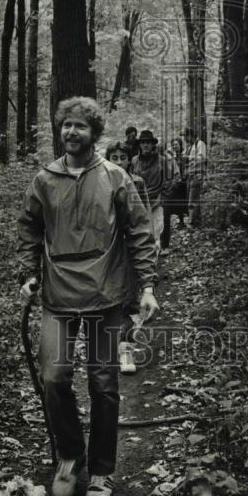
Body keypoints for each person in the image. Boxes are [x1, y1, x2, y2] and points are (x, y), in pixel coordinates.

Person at [18, 97, 158, 496]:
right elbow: (29, 227)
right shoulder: (44, 179)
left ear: (94, 134)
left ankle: (100, 471)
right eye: (66, 125)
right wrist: (28, 274)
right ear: (59, 130)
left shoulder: (116, 178)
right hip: (57, 296)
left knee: (104, 384)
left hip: (105, 296)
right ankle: (68, 456)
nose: (71, 132)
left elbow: (140, 233)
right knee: (55, 377)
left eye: (80, 126)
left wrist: (147, 287)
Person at [104, 140, 149, 376]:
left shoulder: (137, 183)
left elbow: (143, 219)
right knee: (109, 300)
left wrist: (149, 247)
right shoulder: (100, 182)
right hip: (106, 252)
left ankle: (126, 350)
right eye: (114, 157)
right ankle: (109, 346)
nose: (119, 162)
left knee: (130, 301)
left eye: (123, 157)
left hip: (129, 250)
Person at [130, 129, 179, 256]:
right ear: (140, 144)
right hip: (139, 202)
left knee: (157, 232)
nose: (145, 145)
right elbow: (129, 180)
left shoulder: (162, 160)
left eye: (148, 142)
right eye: (143, 142)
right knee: (142, 233)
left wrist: (164, 196)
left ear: (153, 144)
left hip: (157, 201)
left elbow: (170, 179)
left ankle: (155, 260)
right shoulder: (134, 160)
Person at [181, 126, 207, 228]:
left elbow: (202, 158)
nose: (184, 139)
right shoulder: (189, 147)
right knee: (191, 199)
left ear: (190, 135)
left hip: (197, 175)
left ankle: (192, 224)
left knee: (193, 200)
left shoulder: (200, 144)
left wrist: (188, 158)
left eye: (185, 136)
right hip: (190, 176)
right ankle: (197, 221)